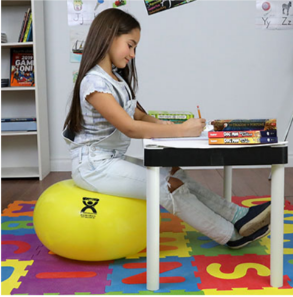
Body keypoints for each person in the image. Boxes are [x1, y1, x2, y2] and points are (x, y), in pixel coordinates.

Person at [63, 8, 271, 249]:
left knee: (175, 173)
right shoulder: (94, 82)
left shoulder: (116, 79)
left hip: (110, 160)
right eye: (130, 45)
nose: (132, 54)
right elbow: (129, 127)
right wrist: (181, 131)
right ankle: (231, 236)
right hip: (93, 167)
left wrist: (166, 126)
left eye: (135, 48)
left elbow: (139, 114)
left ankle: (238, 216)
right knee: (167, 186)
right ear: (109, 36)